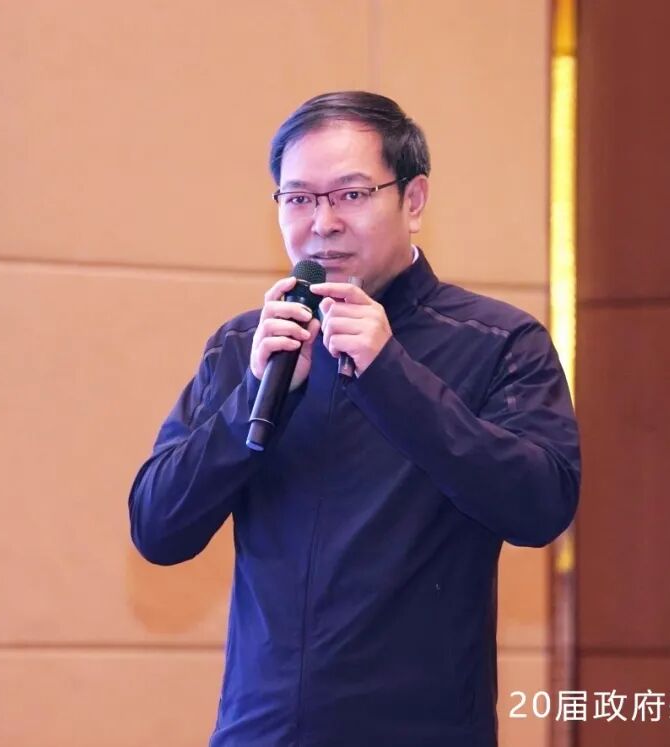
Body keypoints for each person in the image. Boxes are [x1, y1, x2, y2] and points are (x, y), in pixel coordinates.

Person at [128, 91, 581, 747]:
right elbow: (157, 528)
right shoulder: (247, 346)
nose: (324, 222)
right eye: (299, 198)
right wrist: (252, 395)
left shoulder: (498, 341)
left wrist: (392, 373)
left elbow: (541, 506)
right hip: (261, 732)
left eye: (351, 194)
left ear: (414, 200)